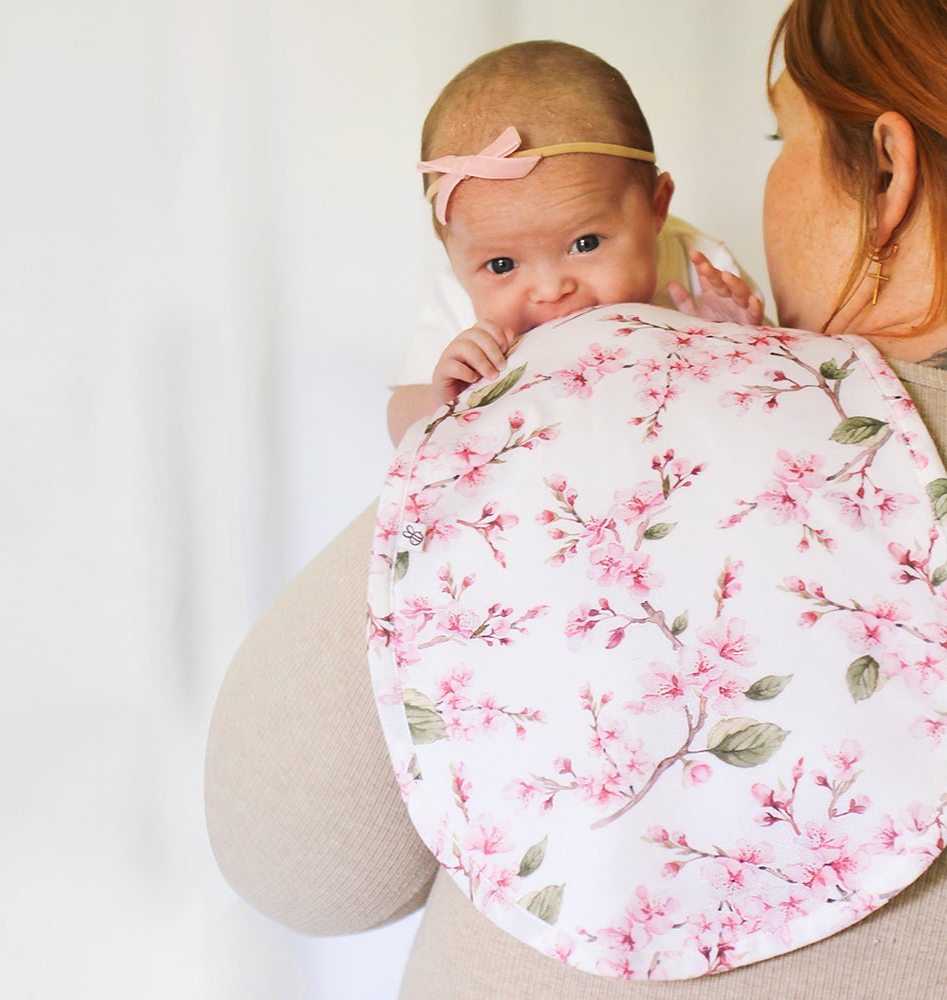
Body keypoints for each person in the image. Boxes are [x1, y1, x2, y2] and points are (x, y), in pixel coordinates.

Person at [204, 1, 947, 996]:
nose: (551, 295)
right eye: (504, 266)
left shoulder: (579, 401)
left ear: (887, 173)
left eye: (785, 136)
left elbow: (298, 855)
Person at [388, 41, 764, 446]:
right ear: (453, 254)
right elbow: (398, 423)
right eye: (502, 265)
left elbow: (785, 394)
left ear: (657, 206)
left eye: (585, 243)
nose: (552, 290)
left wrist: (740, 339)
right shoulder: (453, 300)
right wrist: (439, 398)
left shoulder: (701, 268)